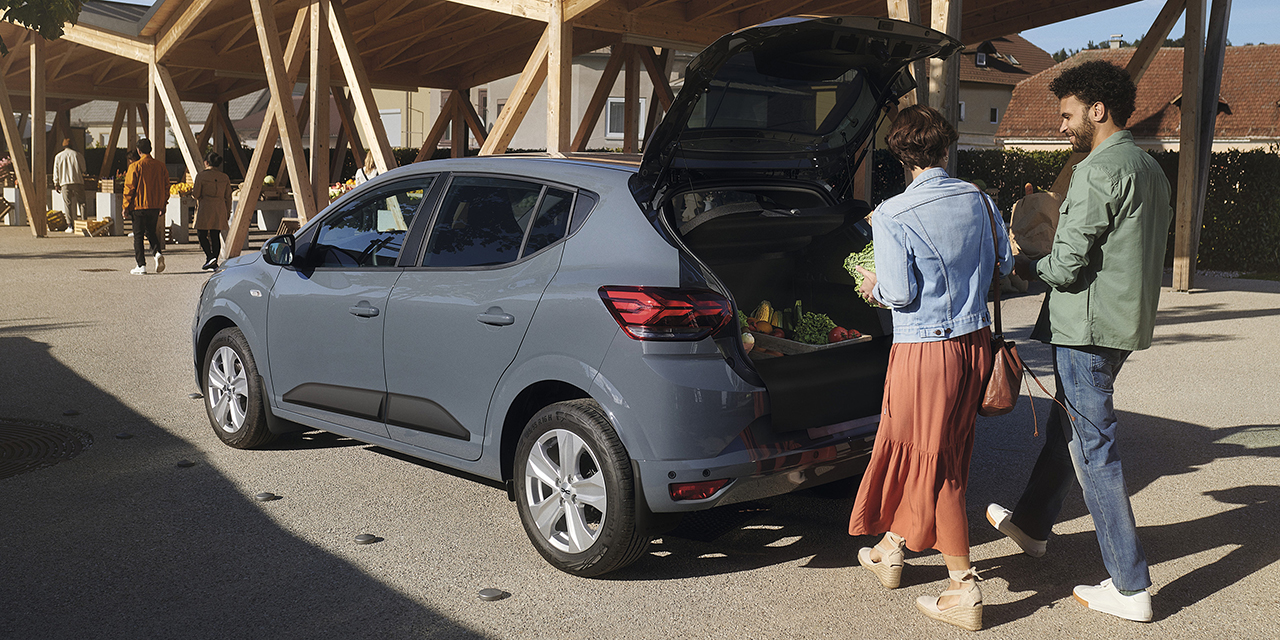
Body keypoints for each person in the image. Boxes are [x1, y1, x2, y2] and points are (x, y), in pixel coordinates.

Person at [986, 60, 1173, 623]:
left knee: (1095, 450)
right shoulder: (1149, 167)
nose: (1062, 125)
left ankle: (1130, 585)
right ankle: (1033, 525)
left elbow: (1066, 267)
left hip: (1085, 329)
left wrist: (1017, 263)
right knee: (1074, 428)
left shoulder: (1096, 170)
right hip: (1121, 325)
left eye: (1067, 114)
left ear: (1098, 109)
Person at [848, 105, 1012, 632]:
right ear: (945, 148)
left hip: (925, 351)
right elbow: (1005, 266)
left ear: (900, 154)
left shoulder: (893, 213)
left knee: (931, 459)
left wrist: (872, 280)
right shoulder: (982, 201)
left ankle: (963, 586)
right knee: (935, 448)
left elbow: (899, 293)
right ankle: (891, 549)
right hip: (974, 343)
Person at [122, 139, 169, 275]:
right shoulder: (160, 166)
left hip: (138, 206)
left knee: (138, 236)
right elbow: (167, 186)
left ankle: (141, 265)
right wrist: (163, 203)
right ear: (151, 149)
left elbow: (129, 188)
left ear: (138, 151)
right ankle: (157, 253)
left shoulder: (135, 167)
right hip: (154, 206)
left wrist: (125, 206)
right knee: (151, 232)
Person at [192, 152, 232, 270]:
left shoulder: (201, 176)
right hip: (220, 207)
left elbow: (196, 194)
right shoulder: (224, 177)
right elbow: (228, 196)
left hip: (205, 206)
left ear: (206, 163)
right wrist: (228, 211)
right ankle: (214, 259)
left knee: (202, 234)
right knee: (215, 234)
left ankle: (210, 257)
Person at [54, 138, 87, 233]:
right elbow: (83, 169)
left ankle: (70, 225)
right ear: (72, 145)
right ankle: (84, 222)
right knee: (82, 203)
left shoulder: (58, 156)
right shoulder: (77, 155)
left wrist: (56, 183)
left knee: (67, 204)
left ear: (63, 146)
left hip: (64, 182)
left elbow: (55, 172)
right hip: (78, 181)